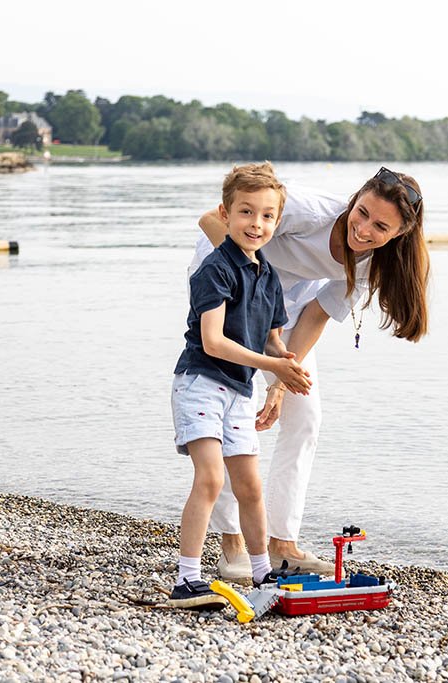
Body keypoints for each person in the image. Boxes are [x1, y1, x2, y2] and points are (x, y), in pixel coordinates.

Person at [193, 166, 429, 580]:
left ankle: (281, 543)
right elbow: (213, 220)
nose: (364, 229)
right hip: (229, 283)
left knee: (305, 417)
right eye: (361, 213)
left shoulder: (373, 265)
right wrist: (253, 281)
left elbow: (317, 315)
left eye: (380, 226)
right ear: (353, 200)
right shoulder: (307, 209)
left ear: (398, 235)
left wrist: (282, 383)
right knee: (235, 409)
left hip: (288, 305)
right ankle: (232, 541)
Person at [167, 163, 311, 609]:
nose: (257, 224)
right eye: (246, 212)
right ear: (225, 215)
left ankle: (262, 571)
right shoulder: (215, 269)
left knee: (250, 487)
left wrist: (283, 371)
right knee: (210, 478)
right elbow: (214, 341)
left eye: (268, 216)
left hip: (239, 392)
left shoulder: (267, 275)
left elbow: (272, 335)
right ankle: (187, 578)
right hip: (201, 383)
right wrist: (271, 362)